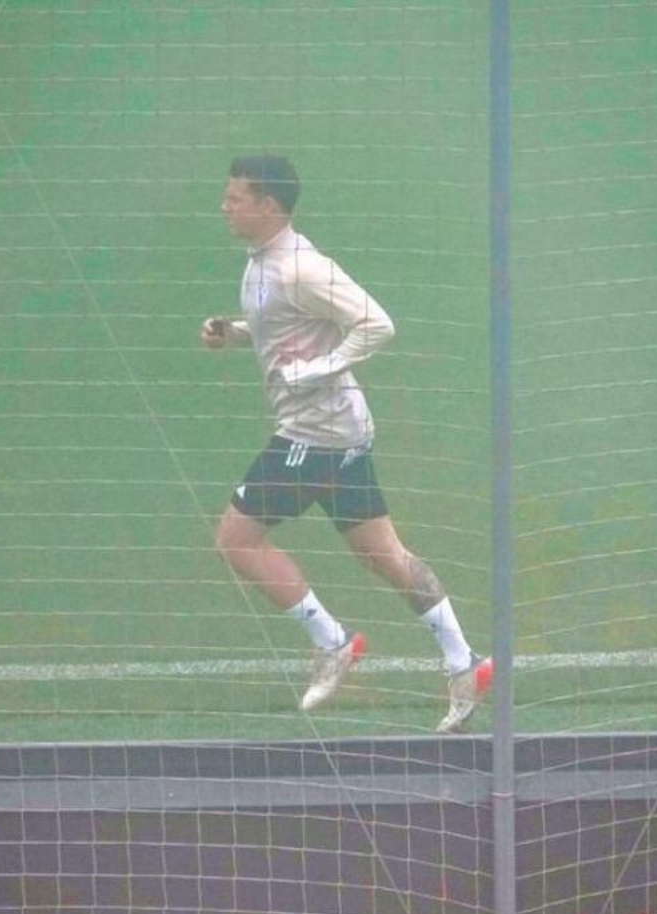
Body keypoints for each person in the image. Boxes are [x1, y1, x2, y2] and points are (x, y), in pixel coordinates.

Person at [200, 154, 492, 733]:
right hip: (341, 430)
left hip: (316, 434)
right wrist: (233, 333)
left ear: (268, 206)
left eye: (235, 198)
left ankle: (332, 643)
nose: (224, 206)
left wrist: (318, 371)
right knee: (382, 556)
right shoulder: (263, 263)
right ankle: (466, 662)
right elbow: (282, 327)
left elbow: (377, 324)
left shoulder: (302, 267)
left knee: (237, 540)